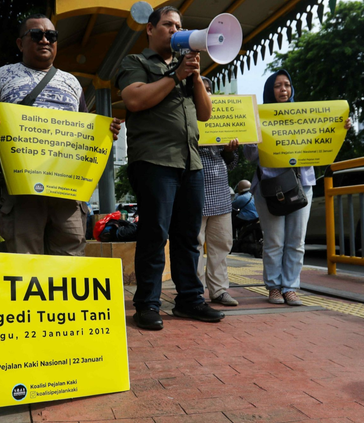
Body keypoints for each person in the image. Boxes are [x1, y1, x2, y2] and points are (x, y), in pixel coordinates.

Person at [116, 6, 225, 330]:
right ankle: (147, 304)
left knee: (188, 236)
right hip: (154, 160)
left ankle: (189, 299)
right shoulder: (136, 63)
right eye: (167, 24)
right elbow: (134, 100)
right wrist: (173, 76)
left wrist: (193, 77)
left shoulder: (186, 70)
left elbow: (204, 114)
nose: (174, 30)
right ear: (150, 30)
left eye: (178, 25)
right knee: (155, 234)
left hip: (190, 163)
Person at [0, 13, 121, 256]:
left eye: (51, 35)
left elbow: (86, 128)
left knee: (70, 257)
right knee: (24, 258)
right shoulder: (1, 76)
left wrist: (106, 132)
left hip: (67, 190)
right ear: (20, 43)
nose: (44, 40)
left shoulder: (72, 83)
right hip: (21, 188)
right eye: (36, 35)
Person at [244, 70, 351, 306]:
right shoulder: (257, 117)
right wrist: (253, 134)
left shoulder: (307, 117)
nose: (284, 90)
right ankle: (273, 288)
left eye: (287, 85)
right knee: (274, 241)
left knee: (296, 242)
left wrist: (339, 129)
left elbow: (323, 146)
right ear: (269, 90)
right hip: (270, 188)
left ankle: (290, 288)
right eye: (278, 86)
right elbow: (251, 155)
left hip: (302, 185)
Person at [197, 76, 239, 306]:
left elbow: (231, 163)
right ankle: (194, 292)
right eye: (201, 89)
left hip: (221, 191)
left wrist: (229, 150)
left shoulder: (223, 119)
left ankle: (219, 291)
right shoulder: (186, 118)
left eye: (210, 89)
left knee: (221, 244)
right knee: (194, 245)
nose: (207, 93)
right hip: (194, 191)